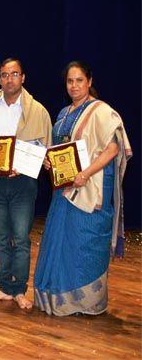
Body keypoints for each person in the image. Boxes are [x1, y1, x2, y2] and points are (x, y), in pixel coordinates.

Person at [34, 61, 131, 316]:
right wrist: (49, 161)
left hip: (90, 188)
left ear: (89, 81)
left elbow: (113, 148)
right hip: (65, 188)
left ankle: (85, 303)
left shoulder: (101, 111)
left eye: (79, 80)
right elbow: (60, 149)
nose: (74, 86)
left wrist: (85, 174)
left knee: (84, 241)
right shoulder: (64, 113)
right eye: (70, 81)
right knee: (62, 242)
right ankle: (57, 300)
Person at [0, 58, 51, 309]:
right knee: (0, 238)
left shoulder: (38, 111)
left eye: (14, 74)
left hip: (23, 184)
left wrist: (23, 166)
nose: (8, 79)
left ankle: (19, 289)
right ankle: (4, 287)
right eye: (3, 75)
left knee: (20, 238)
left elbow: (44, 149)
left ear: (23, 78)